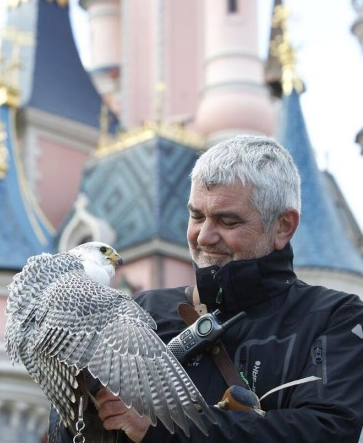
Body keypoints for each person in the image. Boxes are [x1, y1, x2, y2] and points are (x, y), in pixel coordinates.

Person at [53, 135, 363, 442]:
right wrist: (82, 405)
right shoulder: (142, 312)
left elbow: (327, 430)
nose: (204, 237)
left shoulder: (336, 318)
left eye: (227, 222)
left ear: (283, 226)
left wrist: (163, 425)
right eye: (196, 216)